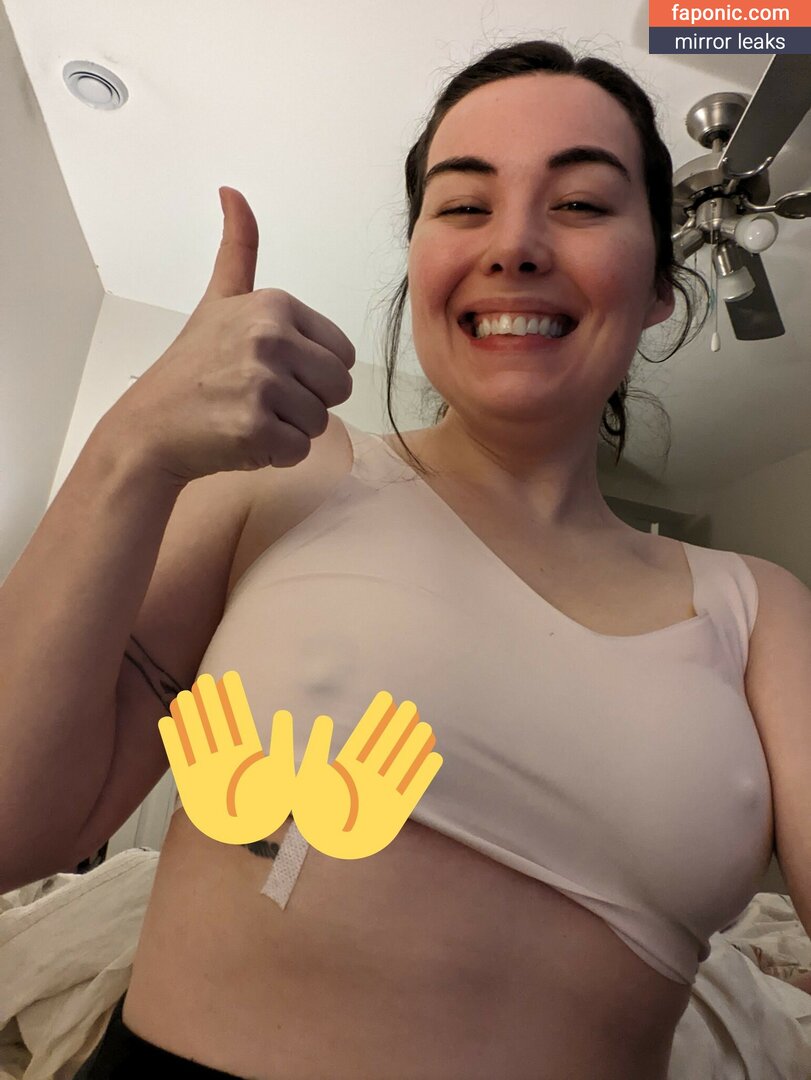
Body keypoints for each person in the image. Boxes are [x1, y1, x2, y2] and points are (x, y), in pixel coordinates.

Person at [0, 38, 776, 1080]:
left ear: (659, 287)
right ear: (417, 264)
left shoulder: (755, 608)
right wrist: (131, 447)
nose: (514, 244)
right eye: (463, 205)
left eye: (580, 204)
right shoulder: (284, 475)